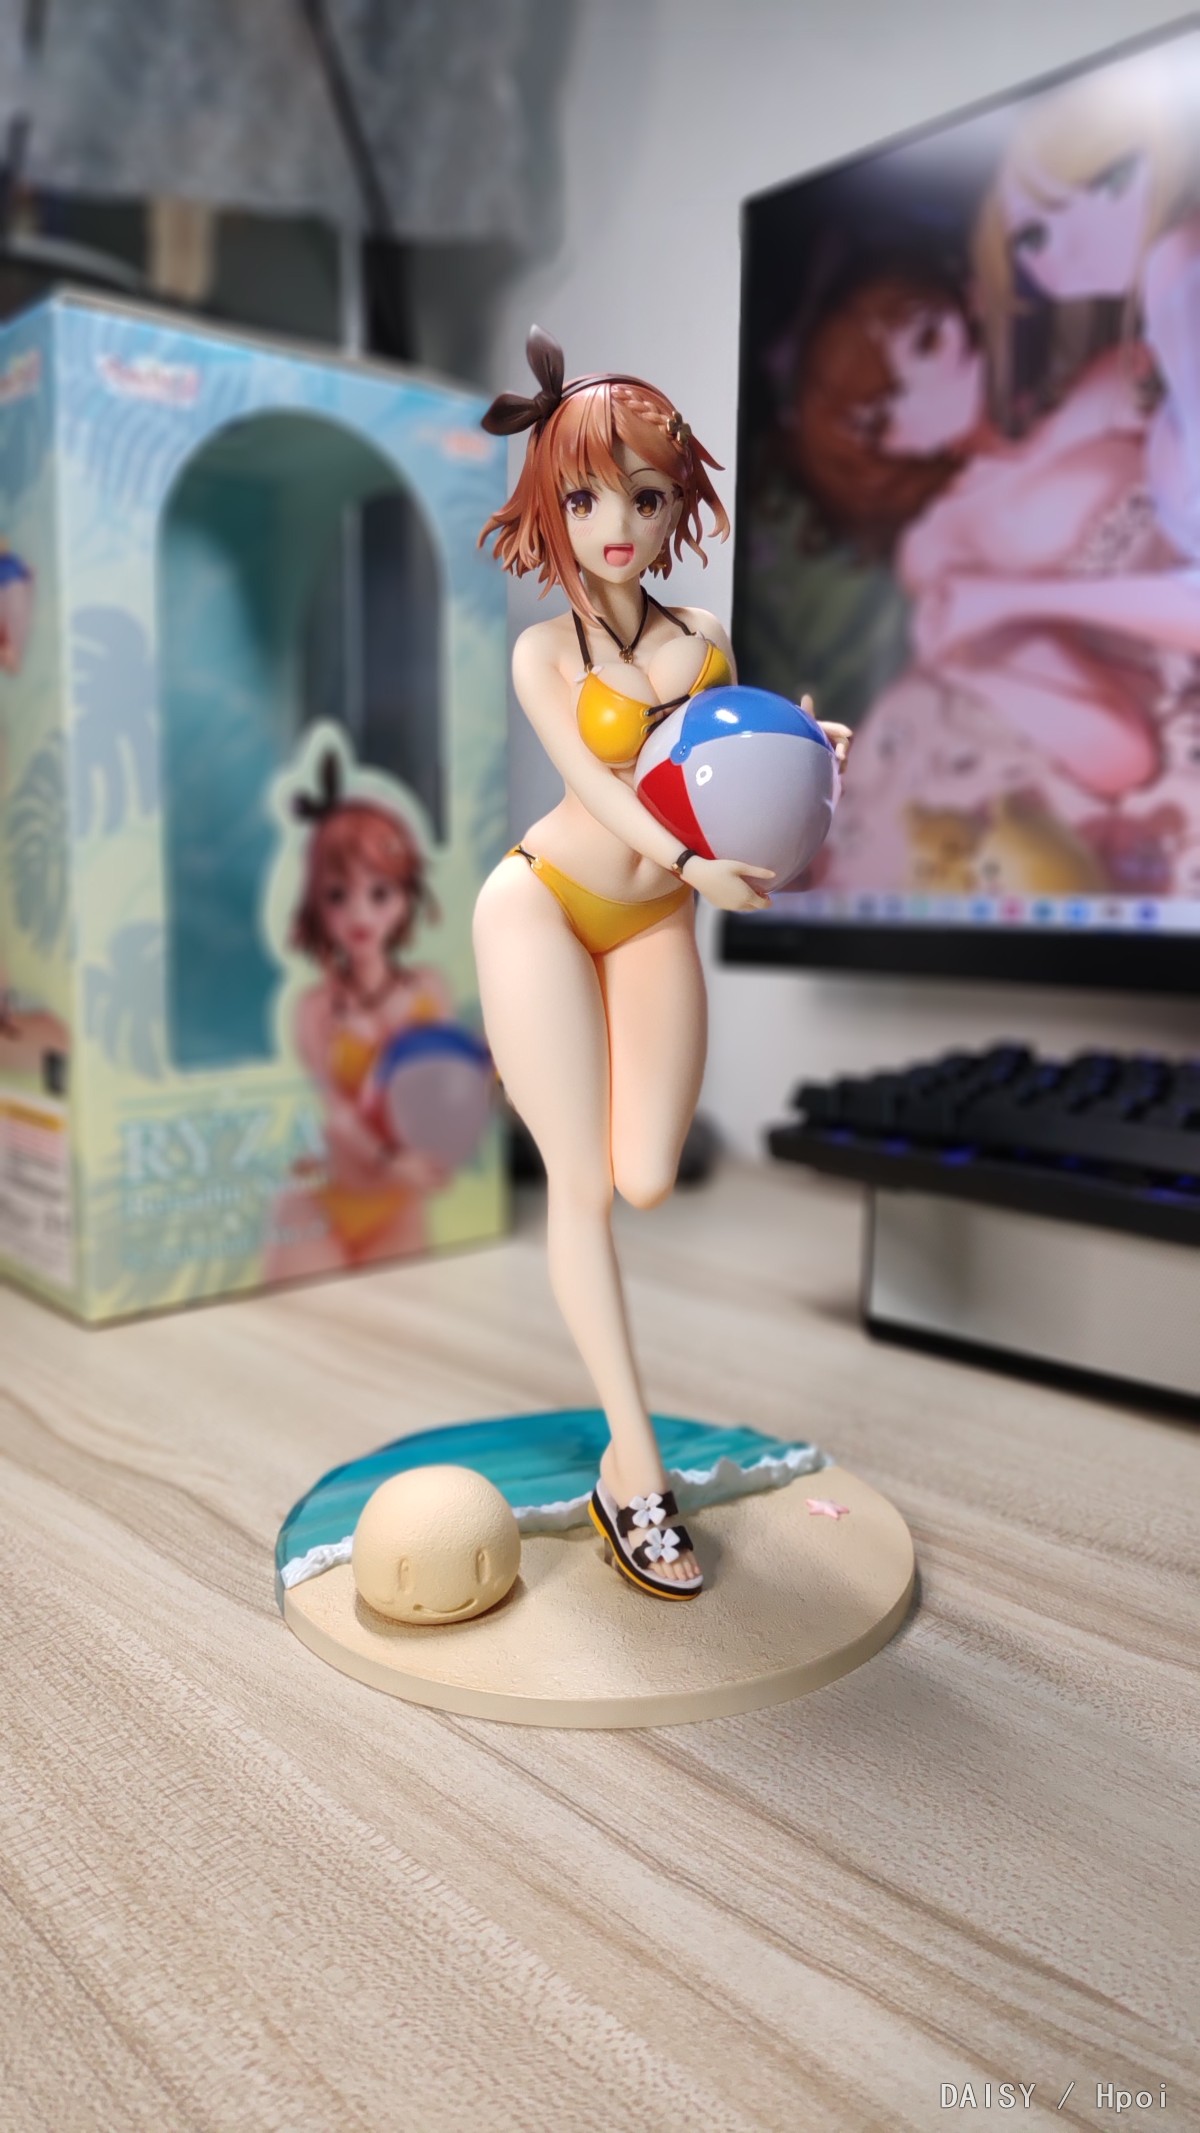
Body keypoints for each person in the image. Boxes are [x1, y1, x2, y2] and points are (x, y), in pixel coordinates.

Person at [473, 326, 849, 1600]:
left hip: (652, 928)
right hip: (542, 906)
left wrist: (805, 750)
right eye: (585, 499)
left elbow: (727, 753)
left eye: (643, 495)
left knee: (645, 1178)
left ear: (679, 498)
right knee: (580, 1186)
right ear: (550, 507)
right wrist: (688, 860)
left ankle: (630, 1457)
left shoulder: (707, 631)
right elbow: (604, 788)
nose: (617, 525)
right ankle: (633, 1474)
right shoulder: (543, 655)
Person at [781, 267, 1200, 894]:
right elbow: (1118, 752)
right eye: (883, 409)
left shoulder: (1110, 378)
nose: (929, 380)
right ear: (883, 446)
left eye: (925, 338)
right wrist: (979, 645)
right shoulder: (944, 543)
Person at [973, 41, 1200, 558]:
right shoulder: (1165, 287)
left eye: (1108, 181)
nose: (1072, 244)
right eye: (1033, 238)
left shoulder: (1175, 264)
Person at [265, 750, 453, 1281]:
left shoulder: (428, 991)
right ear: (316, 906)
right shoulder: (317, 1010)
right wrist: (393, 1158)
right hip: (323, 1200)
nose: (360, 914)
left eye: (380, 892)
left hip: (401, 1204)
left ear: (406, 895)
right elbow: (338, 1112)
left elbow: (443, 1085)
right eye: (337, 896)